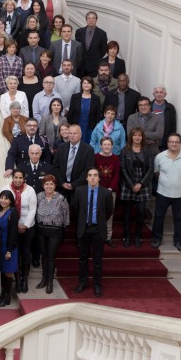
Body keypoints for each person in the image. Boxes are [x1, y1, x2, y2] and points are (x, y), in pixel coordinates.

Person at [72, 168, 114, 297]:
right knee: (83, 258)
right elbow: (76, 209)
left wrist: (99, 221)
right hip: (84, 229)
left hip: (97, 229)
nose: (92, 178)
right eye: (90, 175)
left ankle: (97, 284)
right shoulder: (79, 191)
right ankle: (83, 282)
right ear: (86, 178)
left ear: (99, 178)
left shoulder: (106, 193)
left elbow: (109, 211)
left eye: (95, 175)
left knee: (97, 259)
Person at [151, 134, 181, 252]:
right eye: (171, 141)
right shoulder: (160, 157)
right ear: (167, 143)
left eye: (177, 142)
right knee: (159, 217)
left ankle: (178, 241)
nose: (174, 144)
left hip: (179, 194)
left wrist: (179, 180)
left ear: (180, 143)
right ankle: (156, 239)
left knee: (179, 218)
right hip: (162, 193)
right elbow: (156, 172)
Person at [2, 170, 37, 294]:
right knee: (15, 253)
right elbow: (3, 207)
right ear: (12, 178)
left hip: (28, 226)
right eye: (16, 177)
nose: (18, 180)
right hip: (12, 227)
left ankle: (24, 280)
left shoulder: (30, 190)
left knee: (26, 253)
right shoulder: (6, 188)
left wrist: (25, 225)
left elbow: (33, 209)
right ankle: (17, 279)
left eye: (20, 177)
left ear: (24, 178)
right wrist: (15, 226)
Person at [120, 128, 154, 248]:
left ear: (142, 137)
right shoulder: (125, 150)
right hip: (128, 182)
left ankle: (138, 236)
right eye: (135, 135)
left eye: (140, 135)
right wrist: (131, 185)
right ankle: (127, 237)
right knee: (127, 213)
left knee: (141, 212)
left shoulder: (147, 150)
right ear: (131, 137)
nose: (137, 137)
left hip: (142, 183)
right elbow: (123, 169)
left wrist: (140, 184)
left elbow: (150, 169)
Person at [0, 190, 19, 307]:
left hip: (9, 245)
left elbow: (14, 232)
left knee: (8, 271)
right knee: (2, 270)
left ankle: (7, 297)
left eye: (6, 198)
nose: (3, 200)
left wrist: (9, 249)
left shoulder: (13, 212)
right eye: (1, 198)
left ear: (10, 200)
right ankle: (2, 295)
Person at [67, 76, 102, 143]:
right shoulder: (75, 97)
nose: (86, 85)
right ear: (81, 85)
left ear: (92, 85)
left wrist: (96, 127)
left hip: (90, 127)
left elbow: (98, 115)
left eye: (88, 83)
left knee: (88, 144)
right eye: (84, 83)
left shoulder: (96, 98)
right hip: (77, 125)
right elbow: (71, 113)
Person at [75, 11, 109, 78]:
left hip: (94, 66)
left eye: (93, 18)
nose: (91, 20)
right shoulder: (79, 32)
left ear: (96, 20)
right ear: (86, 20)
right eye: (89, 18)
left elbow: (103, 50)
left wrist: (95, 58)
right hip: (81, 65)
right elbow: (78, 48)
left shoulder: (102, 34)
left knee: (93, 86)